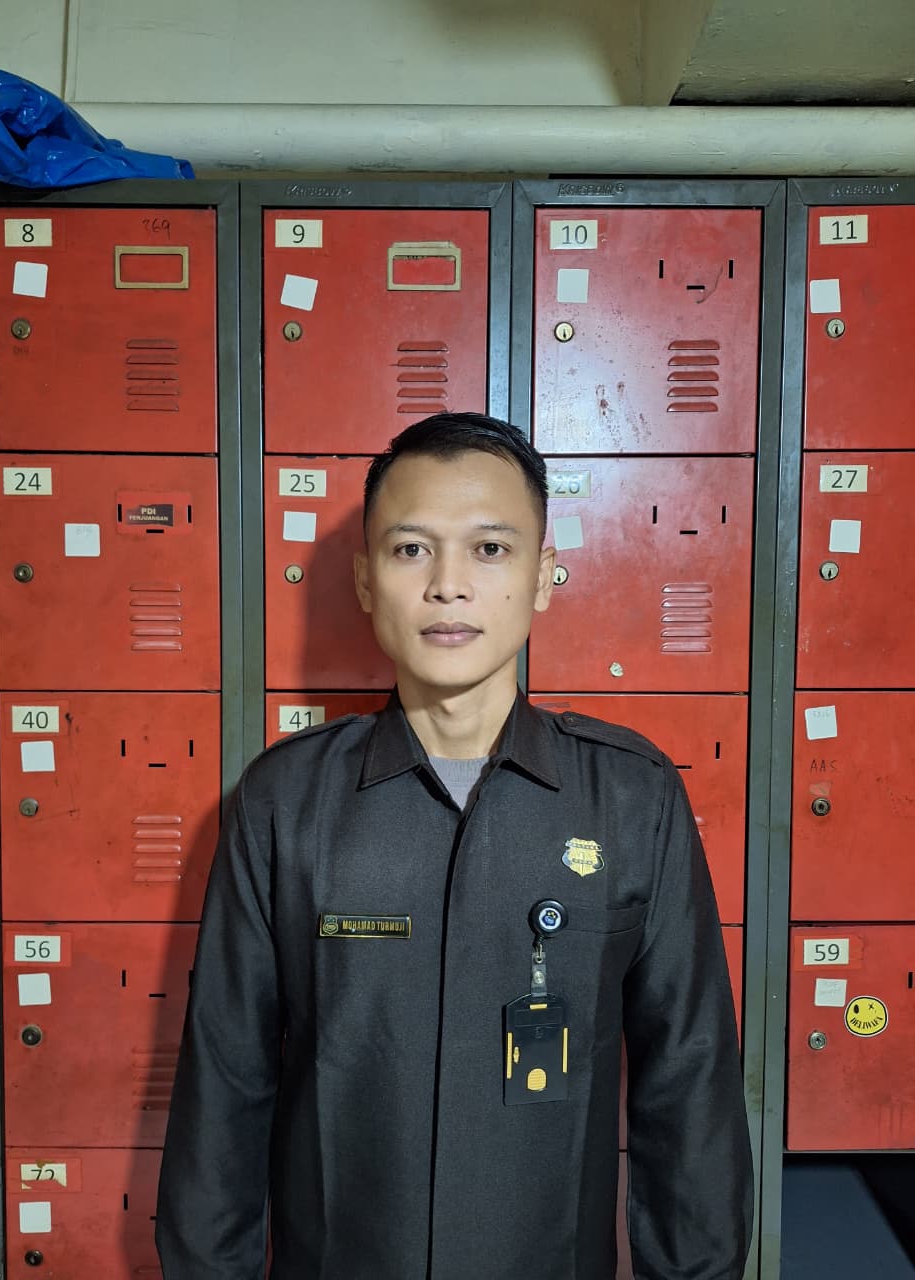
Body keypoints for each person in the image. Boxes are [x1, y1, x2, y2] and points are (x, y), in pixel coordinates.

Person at [156, 411, 753, 1279]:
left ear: (543, 576)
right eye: (411, 550)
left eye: (490, 549)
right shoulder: (285, 802)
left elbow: (689, 1082)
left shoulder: (632, 798)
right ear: (366, 581)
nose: (448, 586)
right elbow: (224, 1080)